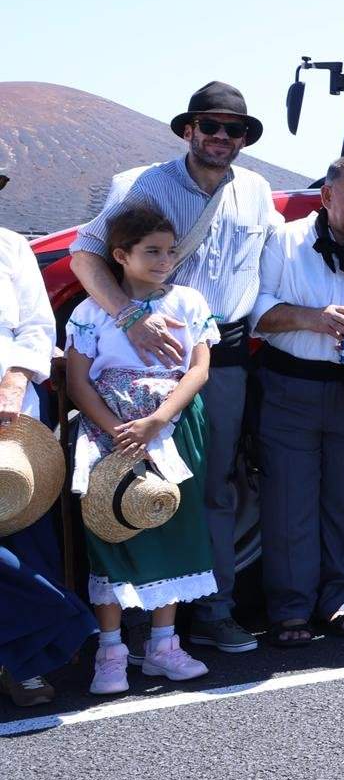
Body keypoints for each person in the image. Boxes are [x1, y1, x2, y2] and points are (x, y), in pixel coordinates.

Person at [68, 81, 281, 655]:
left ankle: (212, 612)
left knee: (212, 490)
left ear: (243, 138)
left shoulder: (258, 191)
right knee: (135, 483)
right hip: (141, 364)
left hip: (220, 357)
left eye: (232, 129)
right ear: (188, 130)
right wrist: (131, 316)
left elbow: (269, 269)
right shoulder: (141, 185)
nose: (220, 137)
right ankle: (140, 623)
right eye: (209, 126)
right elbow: (86, 253)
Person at [64, 204, 217, 694]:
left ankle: (163, 646)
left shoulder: (189, 303)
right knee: (110, 528)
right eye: (151, 251)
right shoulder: (91, 312)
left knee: (167, 519)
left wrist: (156, 419)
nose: (164, 260)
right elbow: (77, 379)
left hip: (169, 425)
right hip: (108, 430)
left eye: (170, 251)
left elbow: (198, 370)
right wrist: (113, 429)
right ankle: (110, 652)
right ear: (120, 255)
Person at [250, 157, 344, 647]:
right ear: (327, 197)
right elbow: (255, 313)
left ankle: (340, 603)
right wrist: (311, 319)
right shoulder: (284, 242)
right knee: (288, 502)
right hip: (290, 387)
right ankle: (290, 611)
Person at [2, 180, 92, 706]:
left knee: (23, 535)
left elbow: (38, 327)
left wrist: (15, 379)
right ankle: (59, 615)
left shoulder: (11, 247)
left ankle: (23, 663)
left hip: (14, 417)